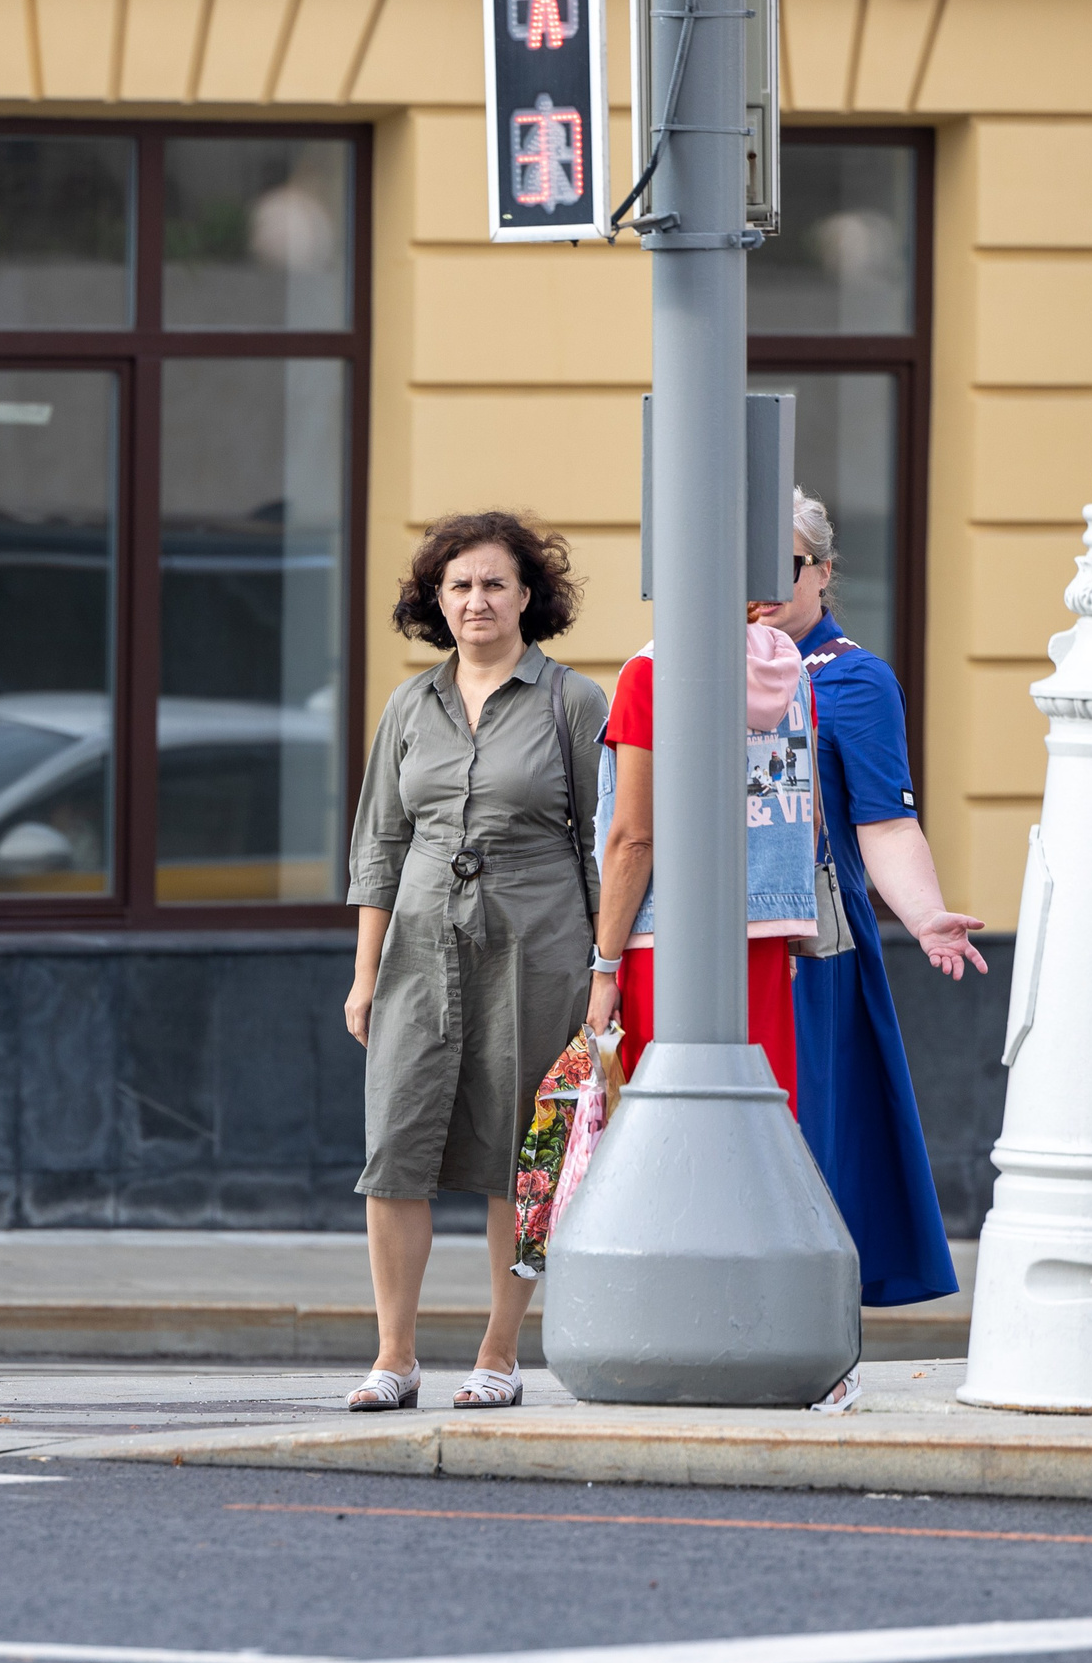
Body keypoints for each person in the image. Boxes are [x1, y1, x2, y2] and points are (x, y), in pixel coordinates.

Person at [344, 512, 607, 1414]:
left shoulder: (573, 701)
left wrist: (604, 969)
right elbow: (379, 840)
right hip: (419, 944)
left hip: (538, 945)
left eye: (494, 583)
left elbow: (603, 848)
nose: (476, 600)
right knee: (394, 1148)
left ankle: (499, 1351)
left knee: (516, 1154)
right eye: (459, 585)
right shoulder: (409, 707)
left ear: (529, 596)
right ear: (437, 601)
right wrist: (364, 971)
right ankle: (394, 1356)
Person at [759, 491, 977, 1316]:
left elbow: (885, 820)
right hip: (703, 943)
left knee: (815, 1142)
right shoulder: (689, 665)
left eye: (782, 564)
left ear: (820, 570)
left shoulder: (850, 677)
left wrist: (925, 915)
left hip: (809, 948)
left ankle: (810, 1332)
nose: (763, 585)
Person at [586, 609, 816, 1108]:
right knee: (762, 1130)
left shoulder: (649, 674)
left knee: (664, 1132)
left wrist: (604, 971)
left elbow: (634, 839)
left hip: (663, 945)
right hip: (766, 942)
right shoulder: (790, 675)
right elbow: (809, 814)